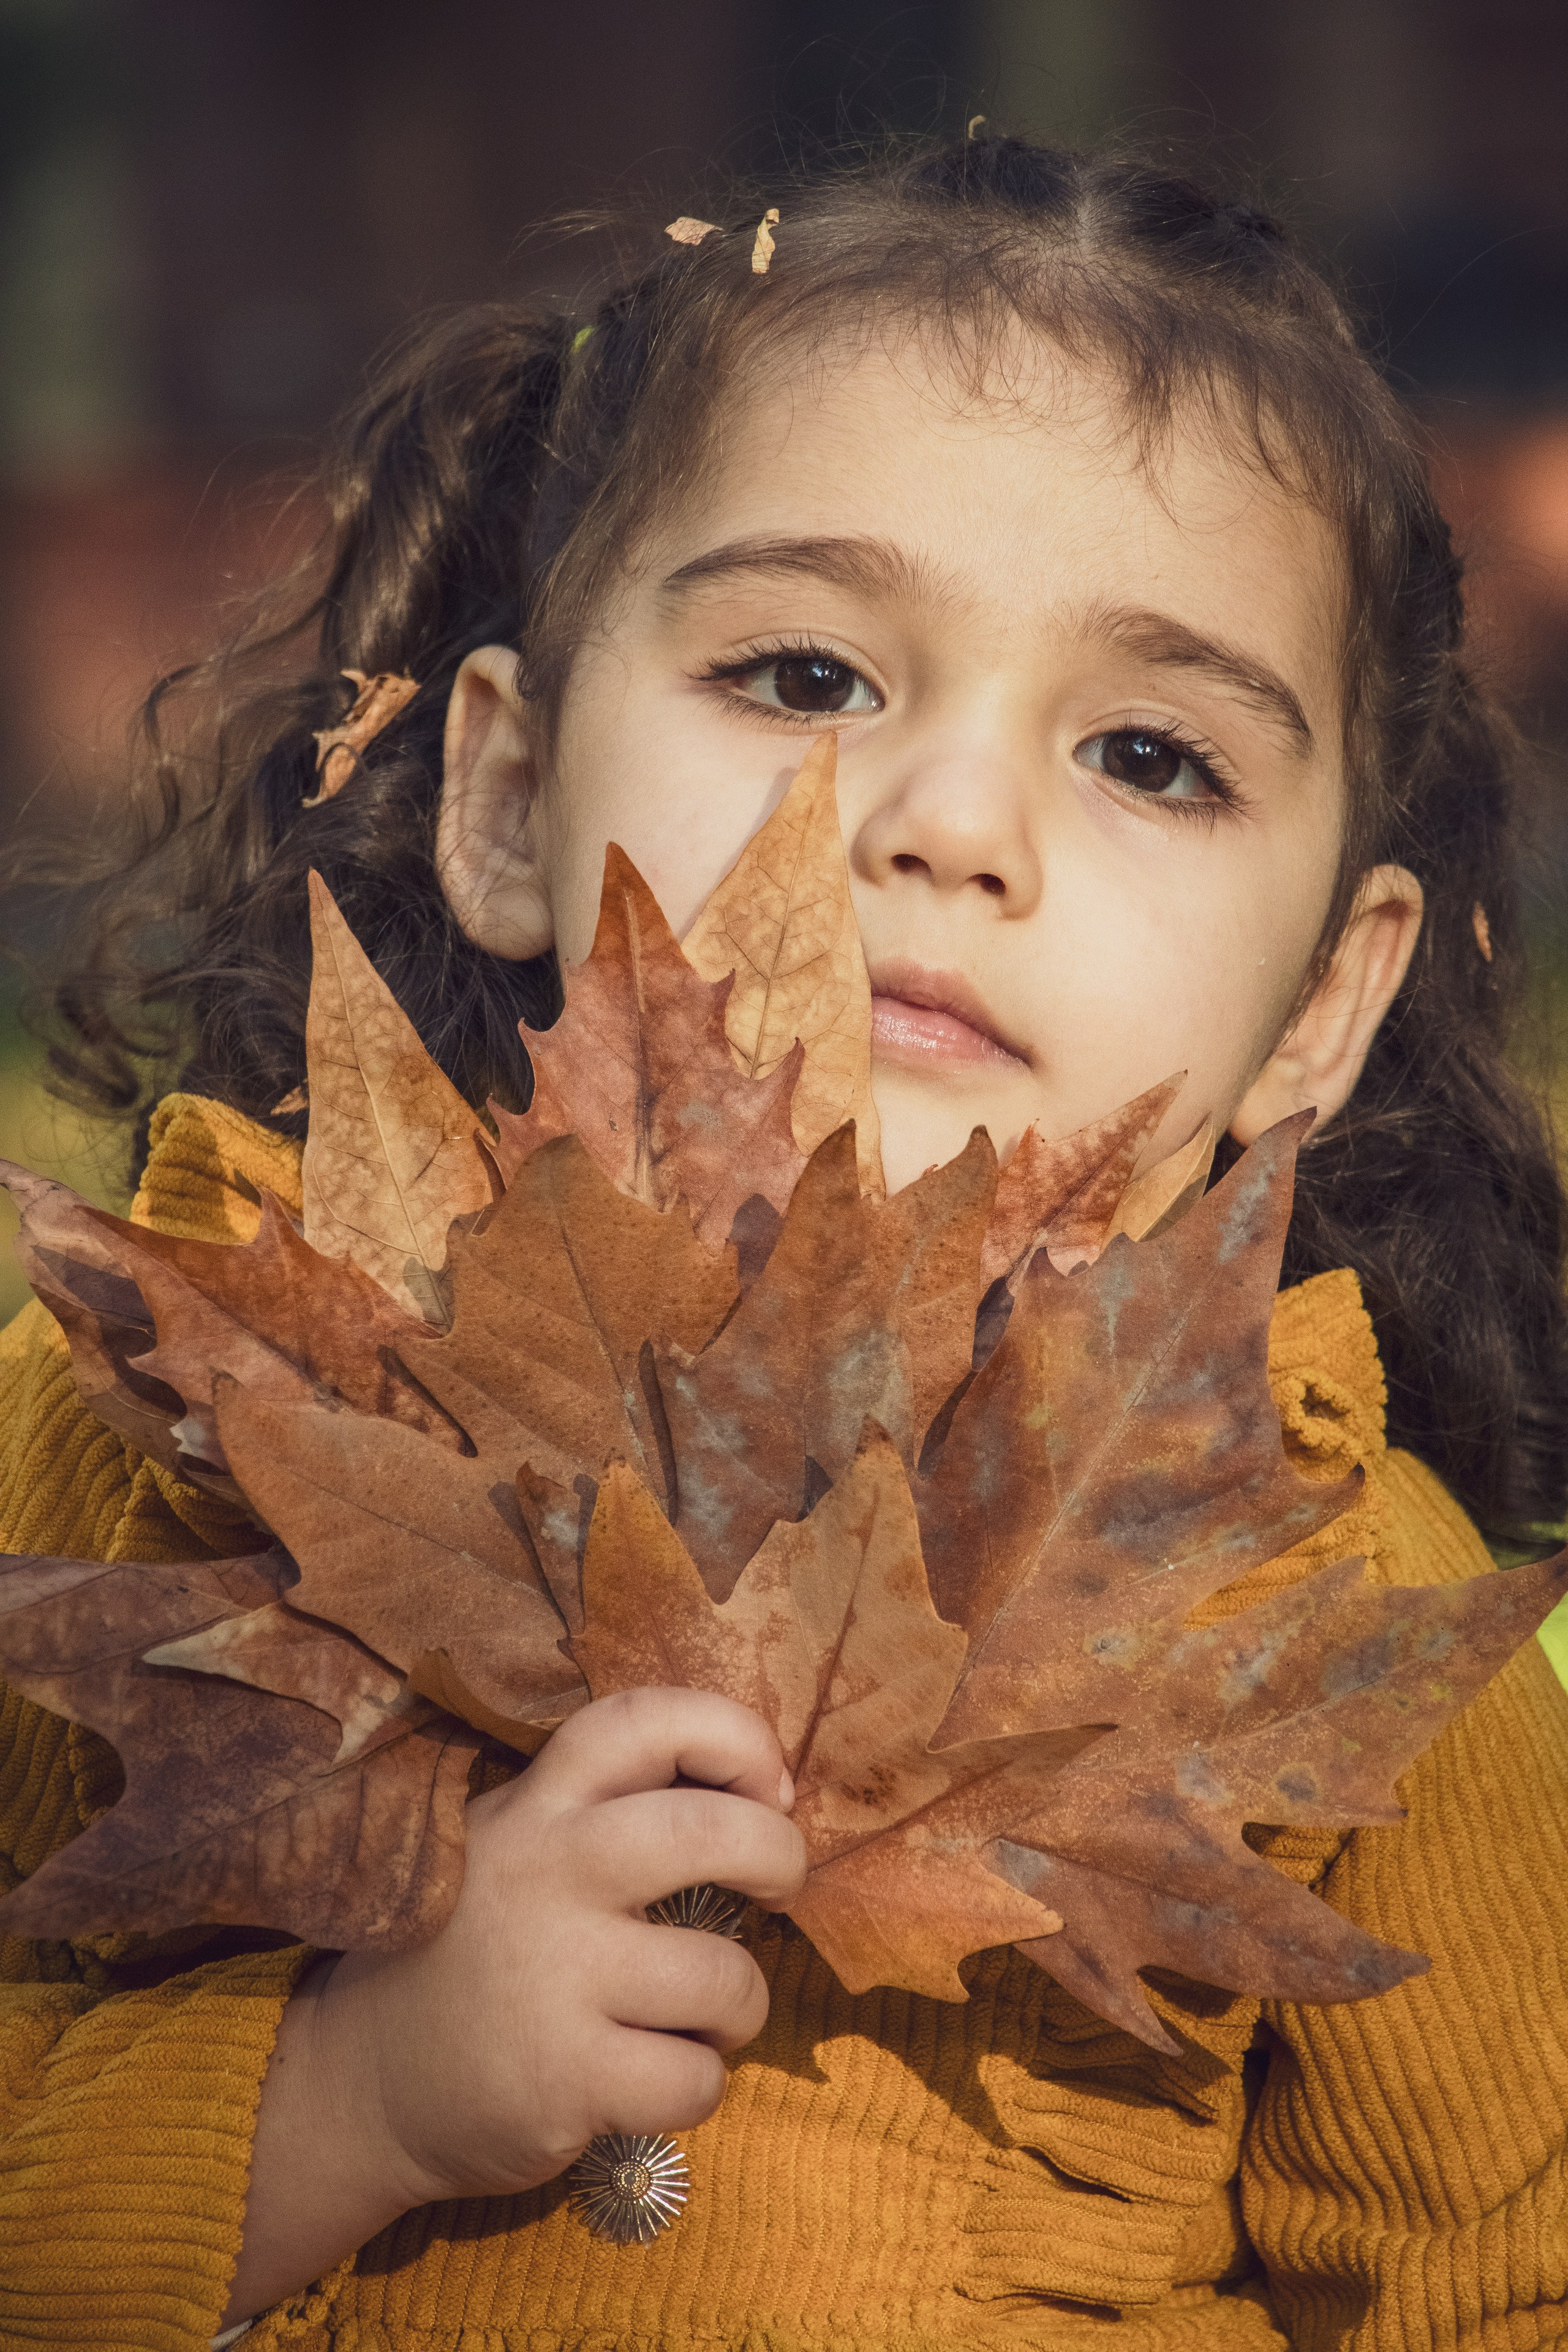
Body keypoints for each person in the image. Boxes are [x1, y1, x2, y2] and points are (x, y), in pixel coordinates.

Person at [2, 133, 1567, 2352]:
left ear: (1324, 1004)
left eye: (1151, 752)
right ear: (509, 803)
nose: (950, 823)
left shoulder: (1336, 1620)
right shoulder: (174, 1411)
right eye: (809, 679)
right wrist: (344, 2097)